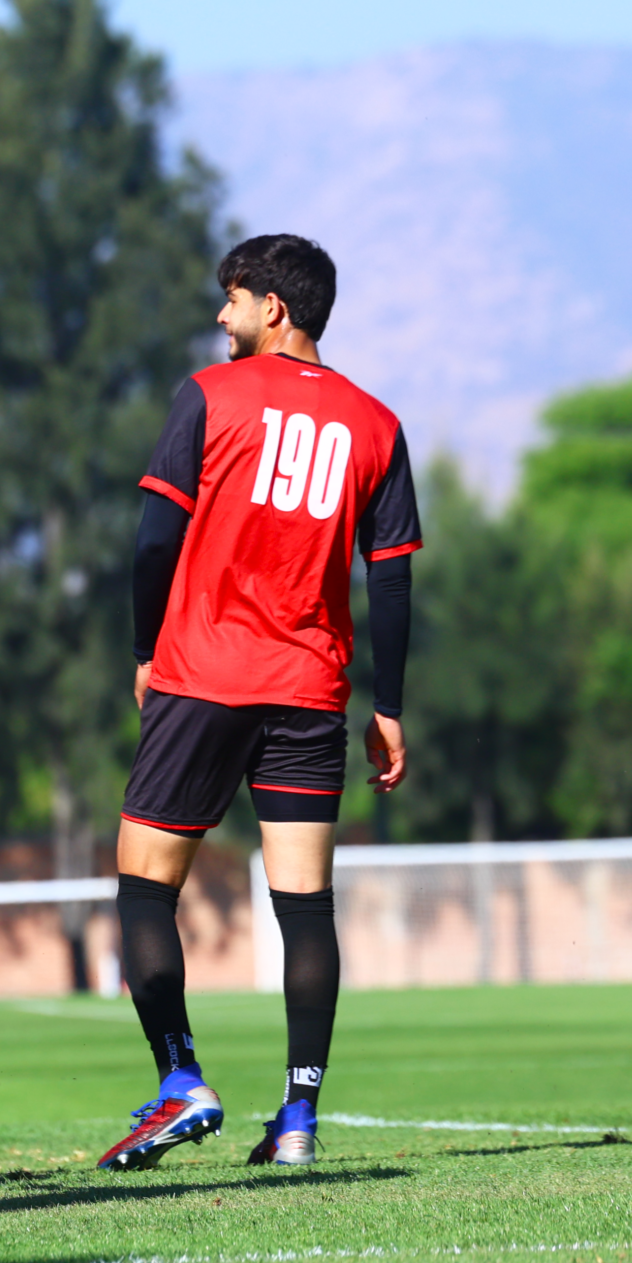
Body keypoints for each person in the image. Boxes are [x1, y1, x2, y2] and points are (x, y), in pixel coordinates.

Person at [101, 233, 419, 1172]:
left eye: (231, 299)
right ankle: (300, 1118)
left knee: (144, 889)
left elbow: (155, 539)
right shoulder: (378, 423)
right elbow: (392, 581)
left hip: (201, 676)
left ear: (274, 307)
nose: (221, 316)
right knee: (306, 906)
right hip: (311, 693)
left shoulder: (208, 395)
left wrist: (144, 647)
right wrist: (390, 705)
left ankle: (180, 1075)